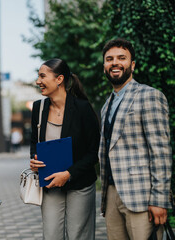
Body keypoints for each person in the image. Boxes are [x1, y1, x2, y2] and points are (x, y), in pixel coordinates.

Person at [99, 38, 173, 240]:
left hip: (142, 197)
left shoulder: (149, 96)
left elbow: (161, 152)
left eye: (121, 58)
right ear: (104, 65)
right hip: (112, 195)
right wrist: (106, 199)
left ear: (132, 65)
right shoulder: (107, 106)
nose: (115, 63)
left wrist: (159, 200)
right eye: (109, 59)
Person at [30, 58, 100, 240]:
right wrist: (34, 161)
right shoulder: (38, 108)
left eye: (42, 76)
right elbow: (34, 143)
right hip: (50, 183)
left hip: (80, 183)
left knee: (79, 235)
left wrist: (68, 174)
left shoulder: (82, 108)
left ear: (59, 79)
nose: (38, 81)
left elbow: (95, 151)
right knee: (51, 235)